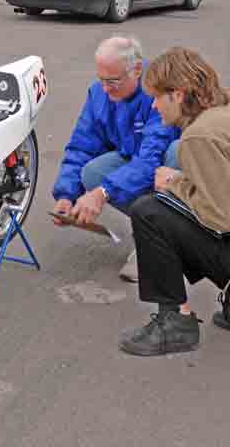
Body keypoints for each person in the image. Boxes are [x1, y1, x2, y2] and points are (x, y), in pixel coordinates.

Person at [118, 47, 230, 356]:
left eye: (157, 97)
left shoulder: (198, 137)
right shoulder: (227, 117)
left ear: (177, 95)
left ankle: (176, 321)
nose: (153, 105)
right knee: (165, 204)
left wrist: (173, 184)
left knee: (148, 211)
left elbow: (221, 217)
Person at [51, 36, 181, 281]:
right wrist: (67, 195)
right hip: (135, 161)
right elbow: (82, 147)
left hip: (163, 165)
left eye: (113, 81)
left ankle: (173, 243)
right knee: (91, 172)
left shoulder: (158, 94)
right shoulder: (98, 94)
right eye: (101, 79)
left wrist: (102, 193)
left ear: (137, 70)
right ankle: (151, 234)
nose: (106, 88)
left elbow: (150, 159)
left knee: (177, 151)